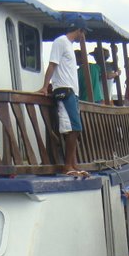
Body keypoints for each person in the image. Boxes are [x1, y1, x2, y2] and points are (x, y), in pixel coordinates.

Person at [41, 22, 87, 176]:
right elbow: (52, 64)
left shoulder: (68, 45)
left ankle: (73, 165)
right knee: (74, 128)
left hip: (72, 91)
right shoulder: (61, 42)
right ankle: (68, 166)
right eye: (84, 33)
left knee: (73, 129)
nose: (84, 37)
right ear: (79, 31)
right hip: (65, 90)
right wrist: (45, 85)